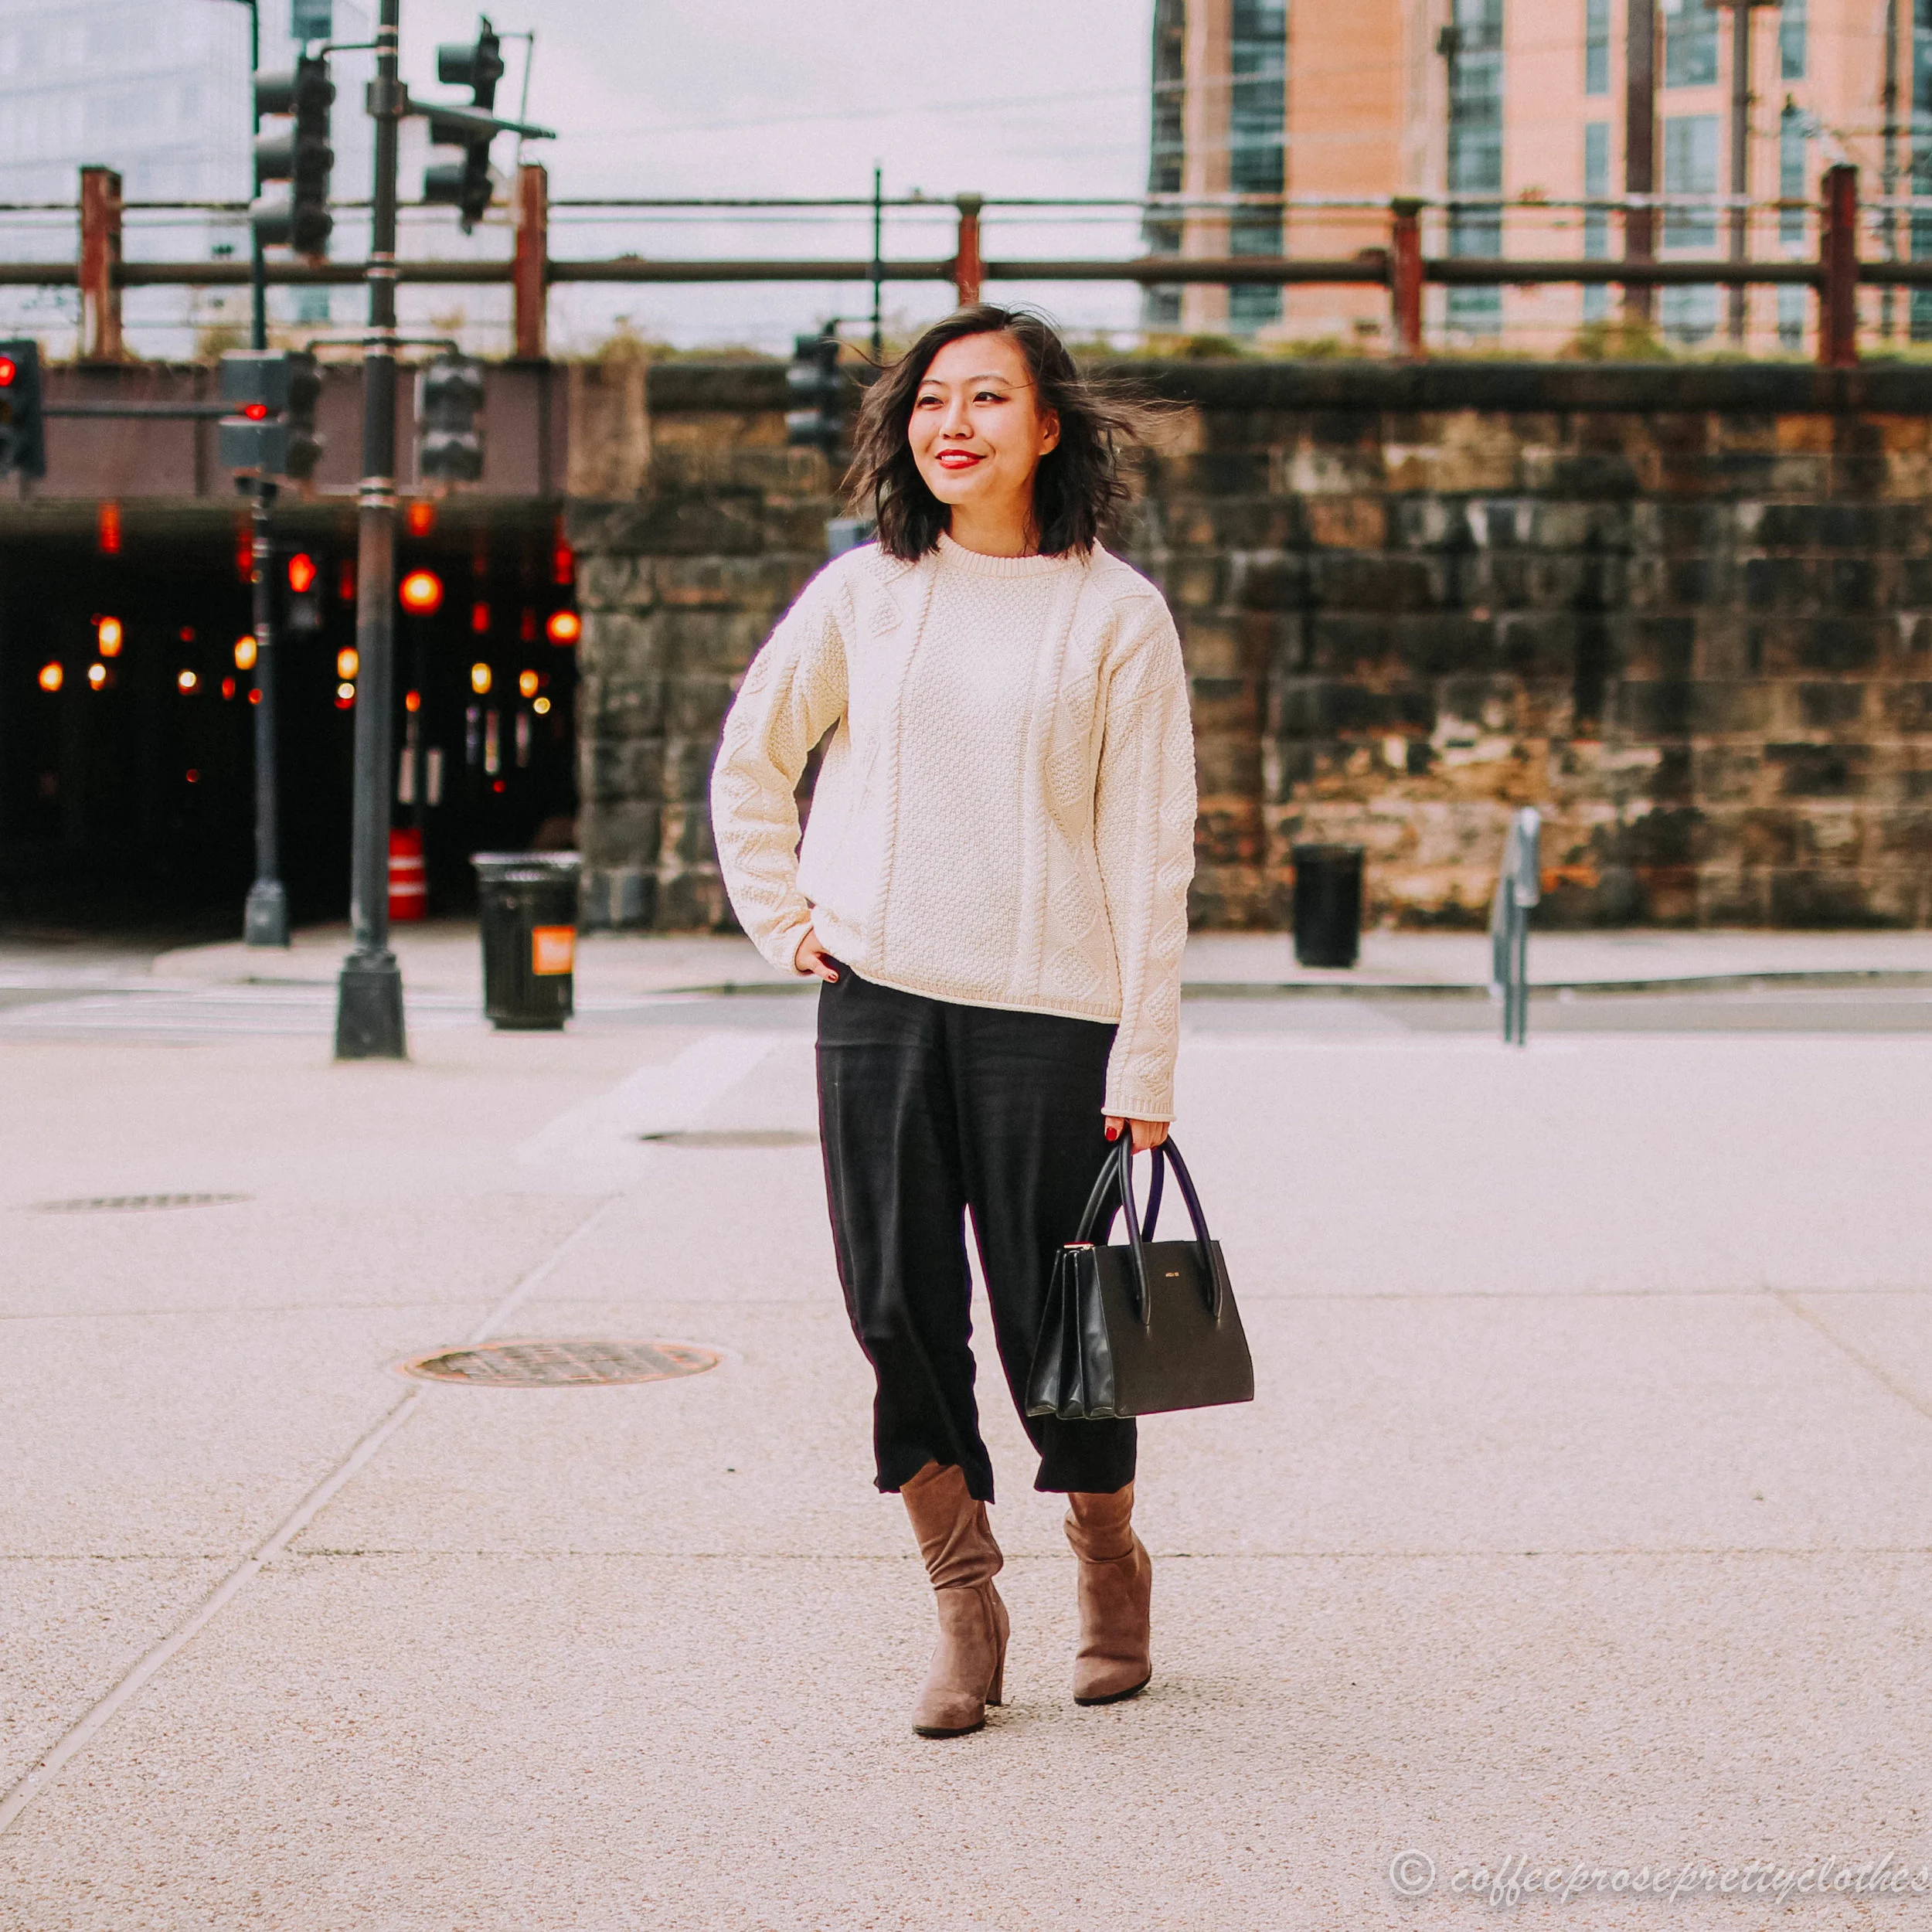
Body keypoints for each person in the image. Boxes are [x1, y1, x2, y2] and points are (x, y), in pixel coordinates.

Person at [710, 304, 1196, 1738]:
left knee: (1061, 1328)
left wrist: (1146, 1057)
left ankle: (1107, 1556)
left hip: (1050, 1015)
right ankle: (962, 1591)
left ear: (1051, 427)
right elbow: (756, 758)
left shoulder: (1118, 616)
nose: (954, 425)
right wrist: (787, 918)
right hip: (877, 1002)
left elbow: (1150, 851)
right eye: (931, 401)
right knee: (895, 1307)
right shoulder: (866, 594)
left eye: (990, 398)